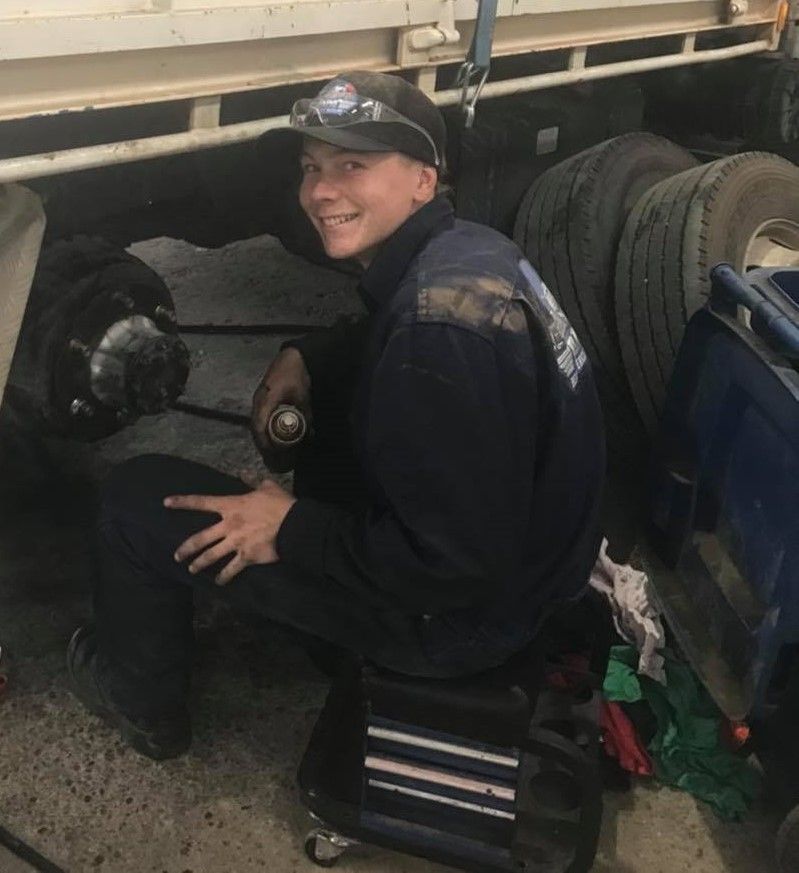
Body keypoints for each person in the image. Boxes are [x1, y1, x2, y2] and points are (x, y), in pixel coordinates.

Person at [67, 71, 605, 761]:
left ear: (423, 177)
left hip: (456, 623)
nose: (320, 190)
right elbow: (386, 340)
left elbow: (448, 566)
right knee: (329, 413)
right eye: (311, 167)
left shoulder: (434, 344)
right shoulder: (469, 252)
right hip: (534, 575)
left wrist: (291, 527)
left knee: (134, 500)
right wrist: (307, 355)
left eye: (353, 164)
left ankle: (141, 702)